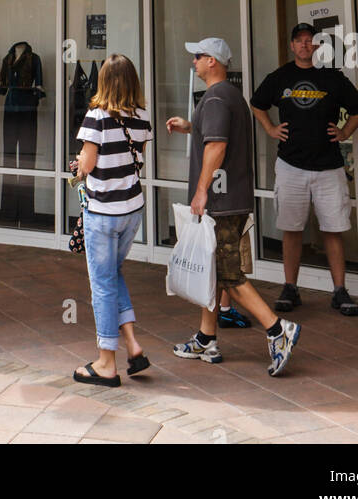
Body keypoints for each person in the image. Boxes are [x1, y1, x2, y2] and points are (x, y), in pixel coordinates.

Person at [167, 38, 300, 377]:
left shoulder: (213, 98)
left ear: (213, 61)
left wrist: (200, 193)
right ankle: (205, 338)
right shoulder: (229, 96)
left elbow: (217, 147)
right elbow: (215, 134)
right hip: (231, 200)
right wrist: (190, 127)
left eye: (198, 57)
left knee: (228, 273)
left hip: (220, 203)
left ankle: (277, 329)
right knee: (214, 273)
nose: (193, 62)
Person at [250, 22, 358, 316]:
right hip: (291, 165)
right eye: (299, 41)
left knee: (333, 228)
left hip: (329, 166)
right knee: (291, 229)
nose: (304, 45)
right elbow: (257, 103)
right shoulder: (280, 78)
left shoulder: (331, 78)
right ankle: (290, 288)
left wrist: (344, 132)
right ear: (292, 46)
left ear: (316, 46)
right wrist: (271, 129)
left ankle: (339, 291)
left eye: (309, 41)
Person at [72, 53, 152, 387]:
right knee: (112, 275)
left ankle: (107, 362)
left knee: (102, 285)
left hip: (103, 213)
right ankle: (133, 345)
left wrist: (77, 165)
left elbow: (87, 166)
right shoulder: (143, 117)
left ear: (103, 82)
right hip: (131, 211)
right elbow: (137, 163)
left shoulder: (96, 116)